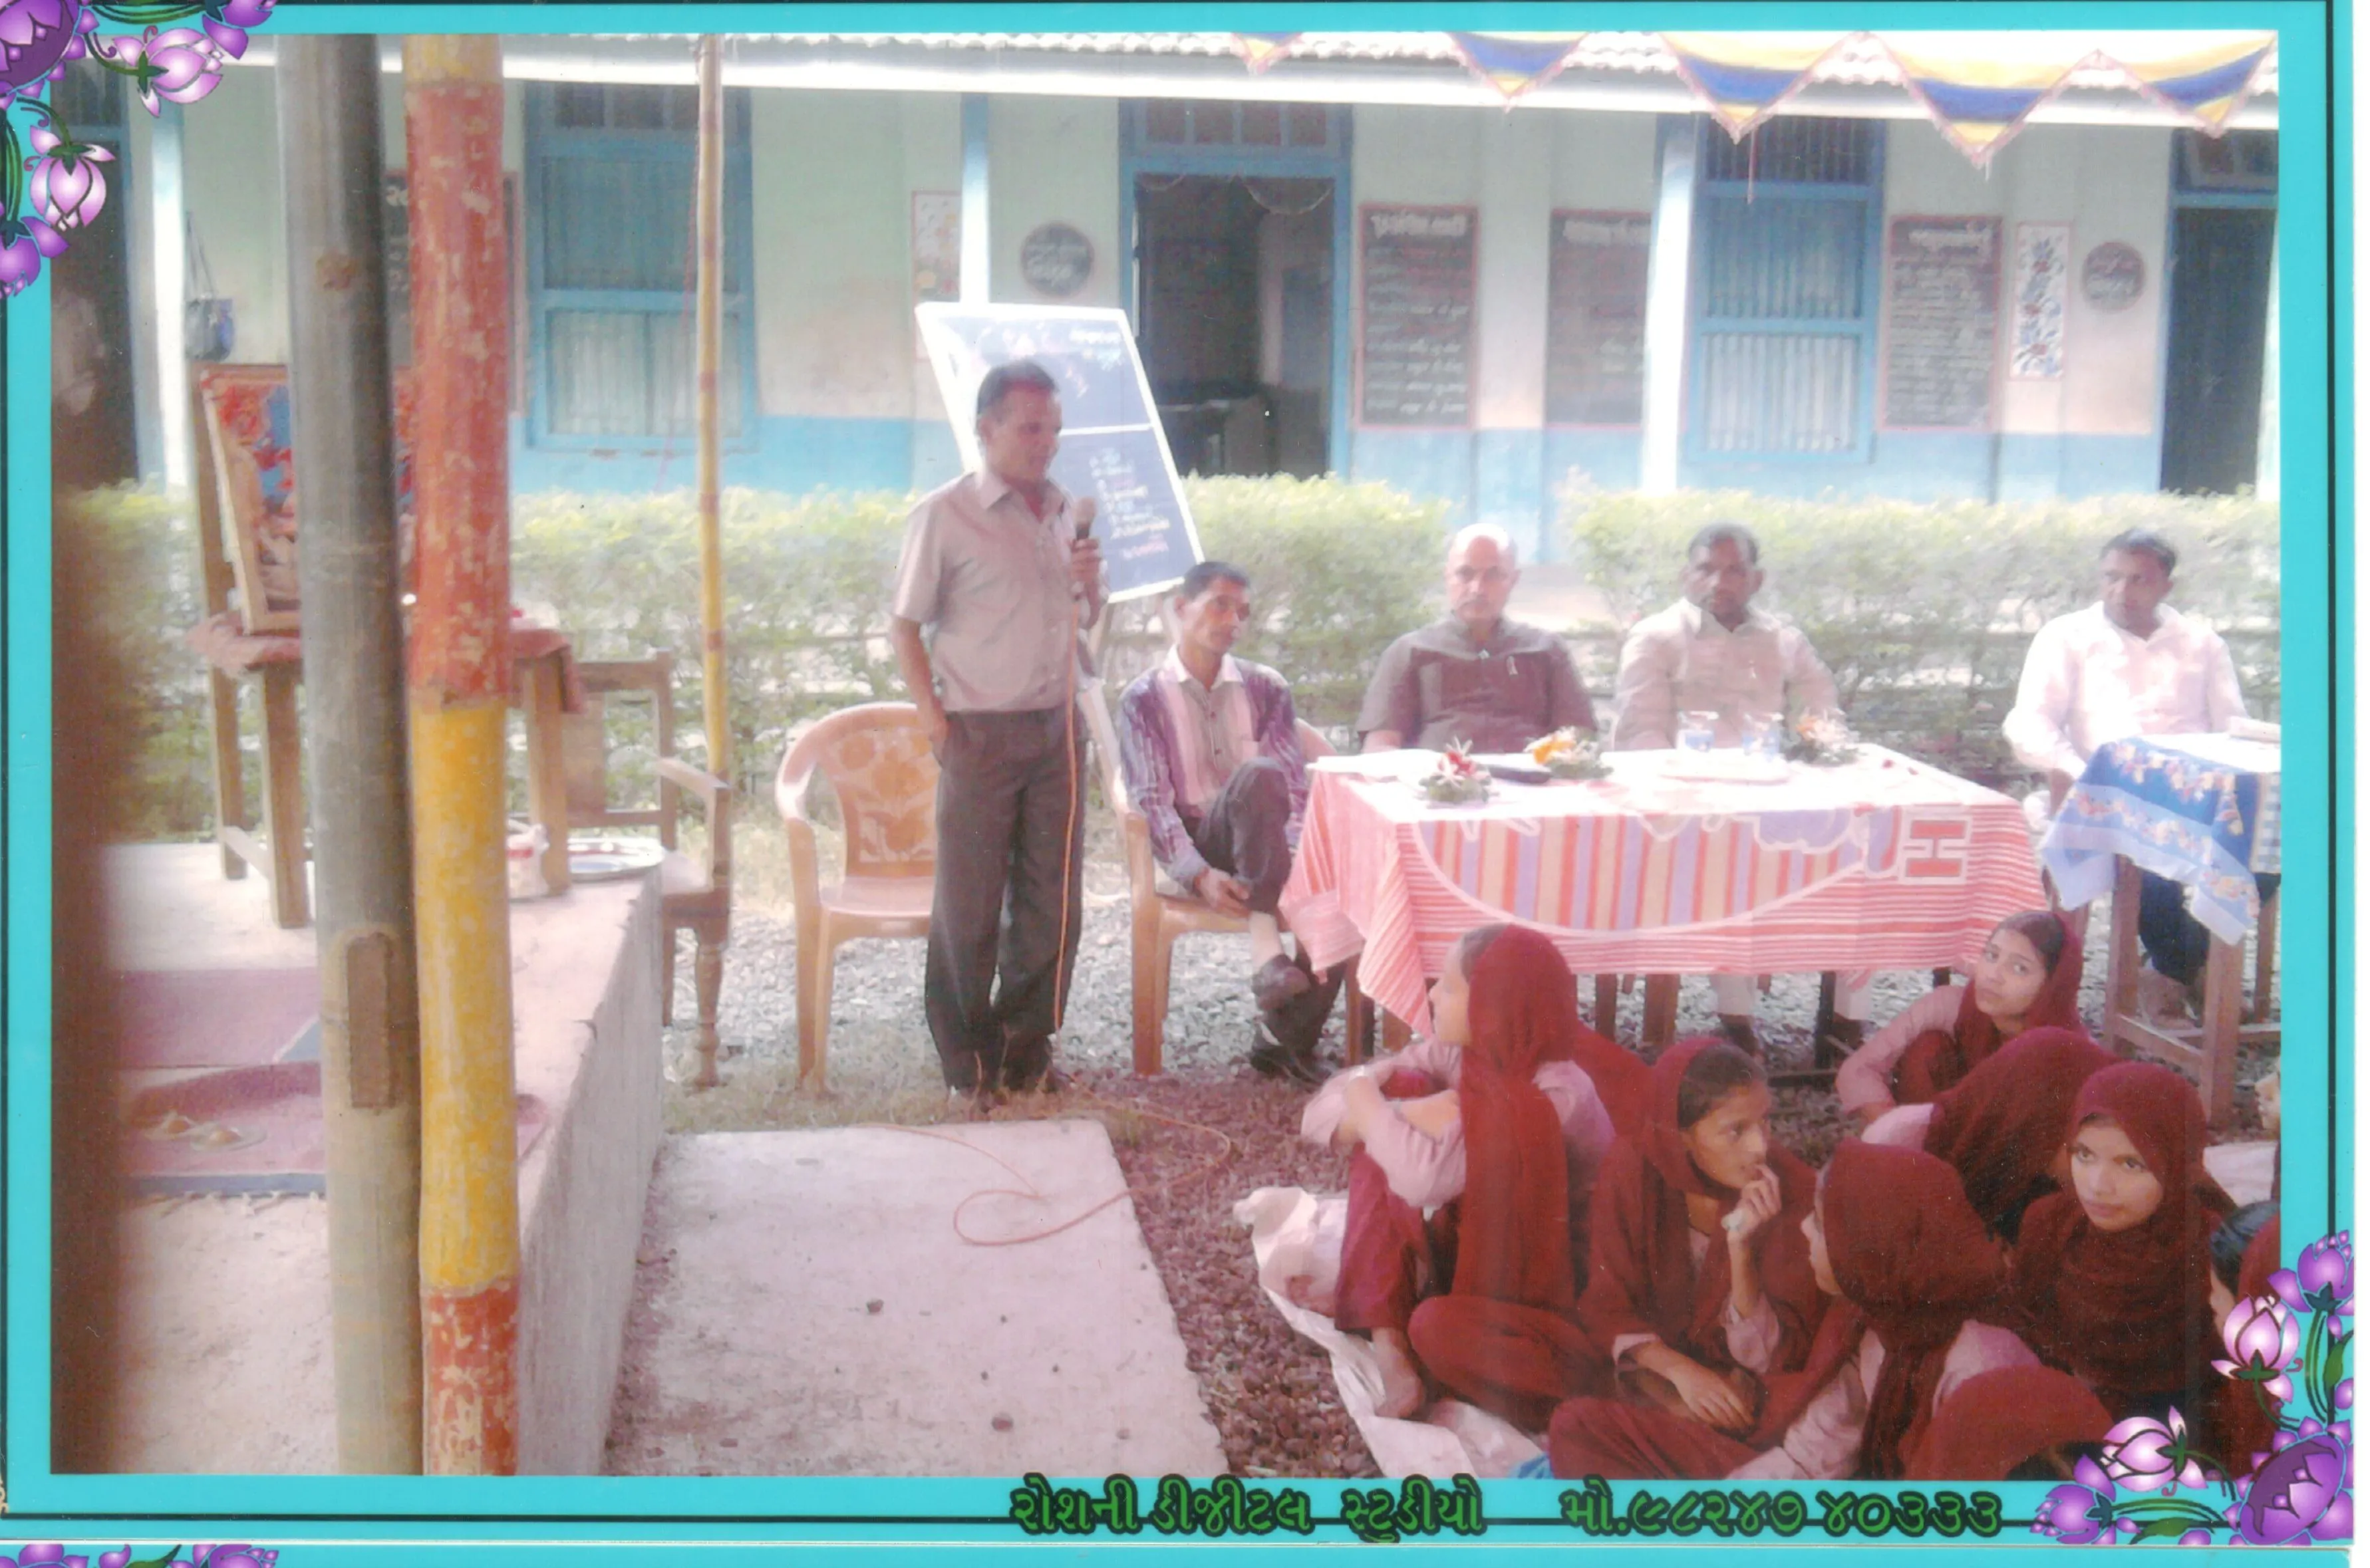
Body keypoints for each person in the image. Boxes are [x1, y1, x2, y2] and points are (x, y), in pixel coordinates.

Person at [1549, 1141, 2037, 1481]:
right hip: (1847, 1503)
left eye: (1822, 1225)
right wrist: (1720, 1518)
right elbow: (1810, 1457)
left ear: (1873, 1249)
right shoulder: (1876, 1325)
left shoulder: (1978, 1363)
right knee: (1578, 1427)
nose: (1803, 1230)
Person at [889, 360, 1104, 1105]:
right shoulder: (945, 515)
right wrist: (934, 721)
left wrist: (1091, 582)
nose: (1045, 443)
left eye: (1053, 429)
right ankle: (965, 1064)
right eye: (1029, 428)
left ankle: (1025, 1050)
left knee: (1052, 899)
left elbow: (1083, 620)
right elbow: (903, 626)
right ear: (985, 430)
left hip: (1055, 729)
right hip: (977, 732)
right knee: (971, 903)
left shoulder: (1060, 513)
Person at [1300, 925, 1620, 1420]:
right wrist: (1396, 1104)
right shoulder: (1466, 1052)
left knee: (1436, 1327)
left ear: (1492, 1006)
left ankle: (1377, 1302)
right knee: (1399, 1091)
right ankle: (1387, 1336)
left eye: (1448, 988)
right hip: (1482, 1243)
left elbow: (1422, 1180)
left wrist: (1371, 1105)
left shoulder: (1555, 1095)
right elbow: (1314, 1119)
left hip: (1553, 1282)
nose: (1431, 995)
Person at [1608, 523, 1862, 1054]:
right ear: (1686, 574)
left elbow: (1821, 707)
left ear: (1757, 579)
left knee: (1861, 848)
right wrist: (1688, 795)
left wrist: (1815, 746)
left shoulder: (1783, 640)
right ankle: (1736, 1015)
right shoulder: (1655, 637)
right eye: (1705, 568)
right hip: (1683, 808)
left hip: (1769, 794)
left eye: (1733, 570)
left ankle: (1847, 1016)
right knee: (1732, 847)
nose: (1718, 582)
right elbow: (1641, 734)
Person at [2003, 529, 2266, 1021]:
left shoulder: (2201, 642)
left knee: (2274, 839)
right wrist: (2080, 771)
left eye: (2138, 580)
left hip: (2196, 793)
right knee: (2150, 846)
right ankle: (2190, 967)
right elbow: (2028, 721)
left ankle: (2174, 967)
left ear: (2166, 585)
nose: (2121, 592)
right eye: (2111, 577)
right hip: (2104, 794)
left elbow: (2230, 726)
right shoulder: (2067, 637)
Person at [1116, 560, 1338, 1081]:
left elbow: (1293, 785)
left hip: (1267, 845)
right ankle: (1267, 952)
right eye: (1219, 604)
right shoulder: (1143, 699)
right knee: (1256, 775)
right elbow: (1151, 800)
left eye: (1242, 612)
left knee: (1340, 899)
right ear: (1180, 608)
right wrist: (1197, 874)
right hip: (1202, 840)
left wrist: (1296, 873)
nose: (1232, 620)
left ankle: (1279, 1041)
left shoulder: (1267, 688)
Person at [1572, 1039, 1827, 1440]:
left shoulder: (1791, 1190)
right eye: (1735, 1131)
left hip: (1739, 1383)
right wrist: (1678, 1372)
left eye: (1764, 1122)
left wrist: (1741, 1251)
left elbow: (1773, 1361)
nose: (1760, 1147)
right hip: (1649, 1368)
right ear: (1682, 1137)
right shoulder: (1633, 1170)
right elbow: (1607, 1304)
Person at [2007, 1061, 2238, 1435]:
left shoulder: (2212, 1256)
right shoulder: (2050, 1226)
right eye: (2084, 1155)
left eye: (2131, 1164)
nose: (2098, 1186)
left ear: (2177, 1164)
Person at [1861, 1027, 2116, 1245]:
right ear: (2033, 1129)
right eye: (2083, 1151)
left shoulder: (2073, 1188)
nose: (2099, 1176)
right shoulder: (1900, 1143)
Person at [1356, 523, 1595, 755]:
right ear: (1447, 576)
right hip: (1439, 788)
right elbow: (1380, 748)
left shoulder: (1546, 649)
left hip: (1535, 785)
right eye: (1465, 574)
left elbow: (1577, 737)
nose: (1477, 588)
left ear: (1513, 580)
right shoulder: (1410, 651)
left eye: (1493, 575)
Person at [1837, 910, 2088, 1124]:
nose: (1993, 975)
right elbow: (1858, 1069)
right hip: (1933, 1144)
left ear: (2053, 986)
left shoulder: (2069, 1054)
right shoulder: (1952, 1005)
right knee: (1927, 1049)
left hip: (1999, 1166)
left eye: (2019, 968)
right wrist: (1896, 1135)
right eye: (1991, 955)